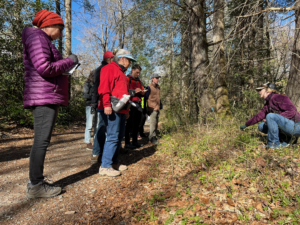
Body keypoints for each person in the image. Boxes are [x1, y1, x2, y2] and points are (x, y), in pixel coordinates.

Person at [23, 9, 79, 198]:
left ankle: (36, 183)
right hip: (44, 97)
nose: (61, 34)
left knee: (41, 140)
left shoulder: (40, 39)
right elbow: (45, 68)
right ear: (50, 25)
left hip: (45, 95)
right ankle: (36, 185)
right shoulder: (38, 38)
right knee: (41, 141)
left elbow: (46, 67)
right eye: (60, 29)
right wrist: (69, 61)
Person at [98, 49, 136, 177]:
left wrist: (126, 111)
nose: (129, 63)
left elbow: (122, 94)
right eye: (129, 60)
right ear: (122, 58)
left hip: (121, 109)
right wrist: (107, 105)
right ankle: (105, 166)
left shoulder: (122, 74)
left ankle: (114, 162)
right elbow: (104, 88)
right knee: (113, 136)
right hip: (112, 108)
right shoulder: (109, 68)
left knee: (119, 137)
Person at [240, 82, 300, 149]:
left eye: (260, 90)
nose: (258, 91)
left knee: (270, 116)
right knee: (261, 126)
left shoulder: (279, 97)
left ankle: (274, 144)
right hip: (287, 126)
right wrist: (246, 124)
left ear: (267, 90)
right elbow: (258, 116)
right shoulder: (267, 104)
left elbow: (292, 111)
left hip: (296, 126)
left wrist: (275, 118)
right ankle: (285, 139)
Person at [90, 51, 114, 163]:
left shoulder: (109, 68)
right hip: (102, 103)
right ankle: (96, 153)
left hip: (108, 102)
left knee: (106, 128)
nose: (114, 60)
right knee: (101, 127)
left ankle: (104, 152)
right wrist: (94, 103)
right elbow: (97, 87)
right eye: (112, 58)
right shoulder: (101, 69)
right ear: (108, 59)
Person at [125, 64, 145, 149]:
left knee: (137, 123)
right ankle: (127, 143)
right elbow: (124, 91)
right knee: (129, 124)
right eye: (137, 72)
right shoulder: (127, 79)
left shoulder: (139, 81)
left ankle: (135, 142)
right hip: (130, 103)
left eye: (139, 73)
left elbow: (142, 91)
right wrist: (133, 91)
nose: (138, 74)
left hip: (138, 103)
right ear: (132, 70)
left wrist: (142, 92)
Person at [145, 74, 163, 145]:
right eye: (156, 78)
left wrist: (160, 105)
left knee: (156, 123)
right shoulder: (149, 87)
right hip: (152, 108)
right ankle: (152, 138)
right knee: (153, 123)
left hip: (157, 107)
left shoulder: (158, 87)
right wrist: (146, 108)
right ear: (152, 78)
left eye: (158, 78)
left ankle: (153, 136)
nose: (157, 79)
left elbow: (158, 97)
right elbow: (145, 97)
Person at [83, 71, 95, 150]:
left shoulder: (98, 84)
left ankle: (96, 141)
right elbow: (84, 95)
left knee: (97, 125)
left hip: (97, 106)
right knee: (89, 125)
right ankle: (87, 142)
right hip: (90, 106)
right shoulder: (87, 84)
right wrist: (93, 96)